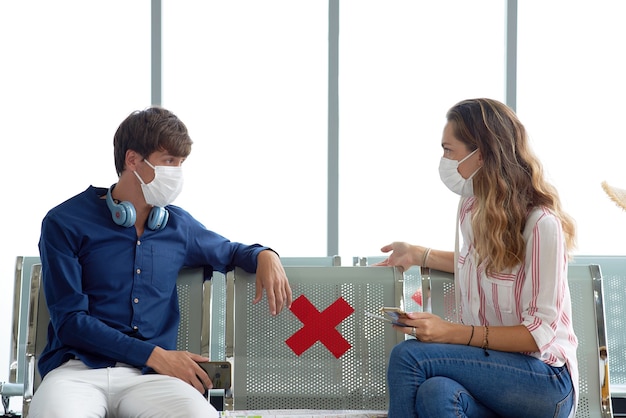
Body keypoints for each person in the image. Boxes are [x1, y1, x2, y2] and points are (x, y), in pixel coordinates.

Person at [30, 106, 293, 418]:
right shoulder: (65, 222)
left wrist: (266, 255)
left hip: (150, 377)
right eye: (169, 161)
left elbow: (233, 252)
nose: (177, 173)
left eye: (181, 163)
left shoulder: (178, 227)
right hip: (76, 371)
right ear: (132, 160)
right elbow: (71, 322)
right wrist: (156, 355)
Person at [375, 98, 578, 418]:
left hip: (544, 381)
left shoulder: (541, 224)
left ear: (481, 153)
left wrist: (450, 332)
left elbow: (538, 334)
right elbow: (475, 264)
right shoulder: (472, 209)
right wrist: (417, 253)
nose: (443, 160)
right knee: (436, 394)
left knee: (409, 357)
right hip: (492, 376)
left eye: (448, 150)